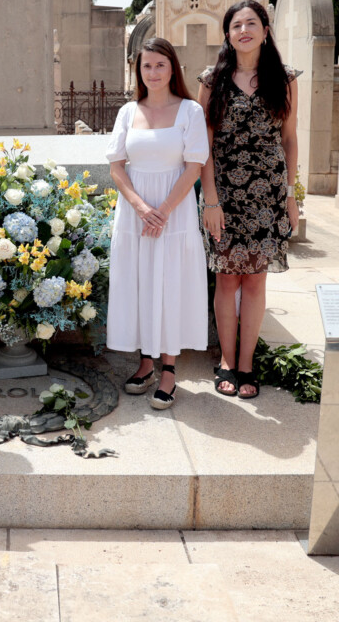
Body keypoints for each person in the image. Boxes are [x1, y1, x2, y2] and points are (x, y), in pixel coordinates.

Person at [198, 0, 299, 400]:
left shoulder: (285, 78)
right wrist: (210, 198)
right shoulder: (212, 79)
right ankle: (225, 359)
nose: (244, 30)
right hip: (224, 194)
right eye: (236, 24)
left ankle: (246, 363)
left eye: (251, 23)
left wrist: (291, 196)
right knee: (226, 278)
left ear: (264, 29)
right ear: (227, 34)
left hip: (267, 194)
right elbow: (201, 143)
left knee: (255, 280)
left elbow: (289, 139)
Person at [106, 38, 209, 410]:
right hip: (136, 215)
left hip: (174, 213)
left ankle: (168, 370)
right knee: (140, 283)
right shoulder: (127, 112)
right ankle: (145, 364)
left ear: (173, 68)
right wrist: (140, 207)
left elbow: (194, 167)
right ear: (139, 70)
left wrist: (162, 210)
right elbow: (117, 166)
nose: (153, 73)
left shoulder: (190, 111)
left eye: (160, 65)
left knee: (170, 282)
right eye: (146, 66)